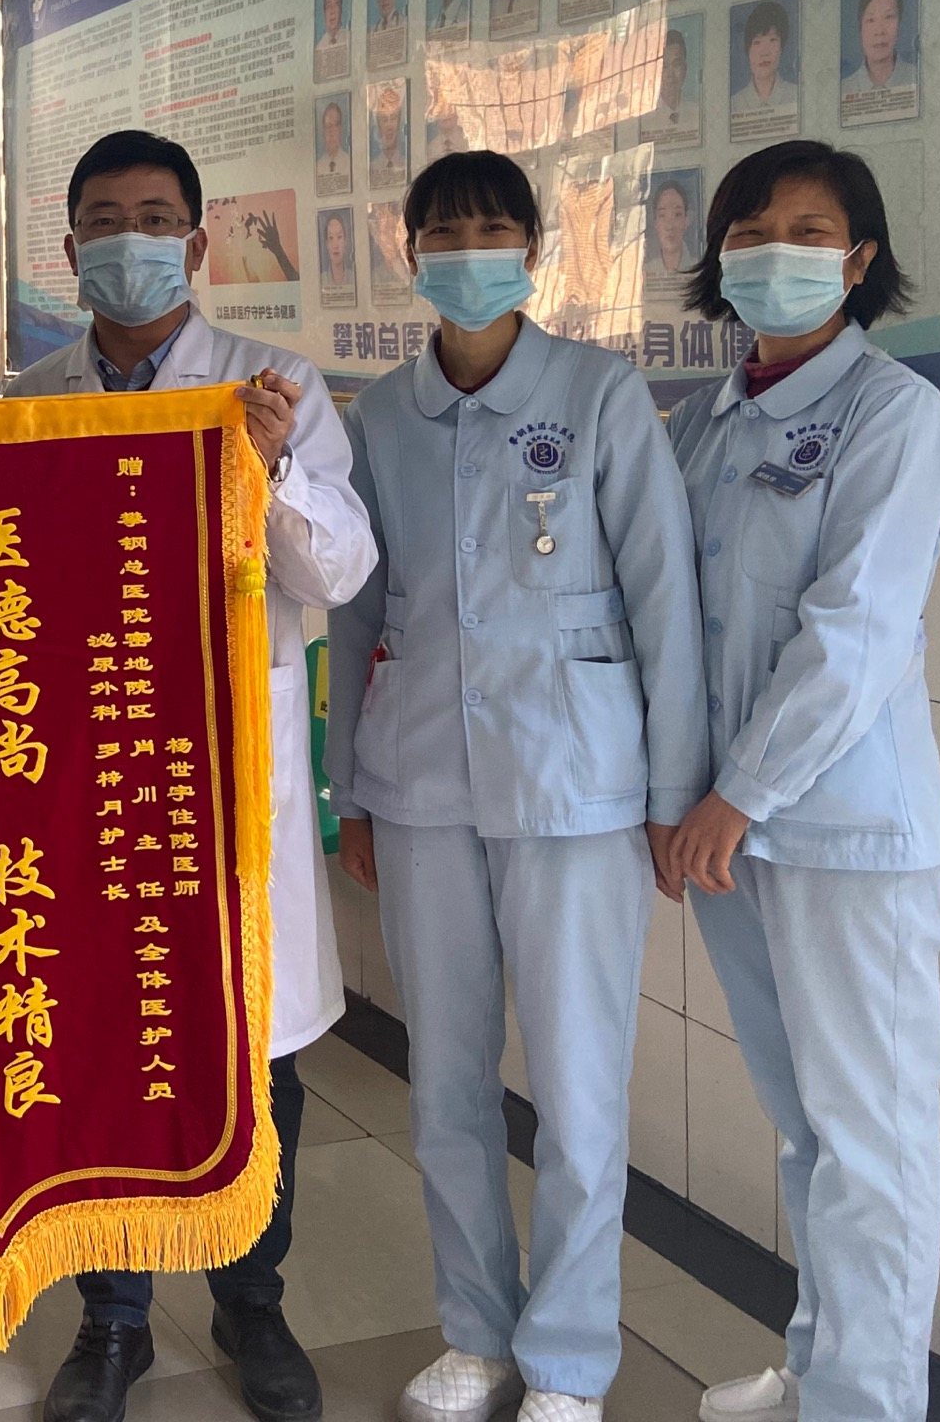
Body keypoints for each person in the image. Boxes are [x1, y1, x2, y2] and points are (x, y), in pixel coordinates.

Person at [324, 151, 704, 1422]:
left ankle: (570, 1360)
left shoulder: (599, 395)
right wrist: (349, 790)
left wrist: (670, 789)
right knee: (445, 1081)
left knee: (580, 1088)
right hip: (422, 781)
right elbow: (356, 612)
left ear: (531, 250)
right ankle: (477, 1332)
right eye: (444, 232)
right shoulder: (382, 416)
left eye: (492, 229)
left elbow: (663, 598)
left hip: (579, 789)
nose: (468, 251)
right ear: (412, 254)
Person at [13, 130, 375, 1422]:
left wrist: (268, 467)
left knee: (249, 1049)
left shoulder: (272, 388)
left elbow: (336, 571)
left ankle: (249, 1300)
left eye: (155, 217)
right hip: (83, 779)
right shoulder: (28, 397)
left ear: (198, 242)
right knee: (100, 1044)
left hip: (223, 776)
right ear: (70, 250)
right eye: (105, 220)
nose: (131, 240)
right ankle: (110, 1319)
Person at [663, 142, 940, 1422]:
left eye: (808, 230)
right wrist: (682, 799)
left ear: (858, 258)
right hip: (733, 834)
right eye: (748, 229)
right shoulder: (702, 421)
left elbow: (857, 630)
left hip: (843, 833)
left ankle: (865, 1403)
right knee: (806, 1126)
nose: (773, 249)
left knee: (871, 1143)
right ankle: (820, 1366)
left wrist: (736, 792)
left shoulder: (894, 414)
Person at [841, 0, 918, 102]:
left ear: (900, 24)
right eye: (871, 20)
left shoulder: (918, 77)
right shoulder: (844, 89)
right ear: (860, 29)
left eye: (889, 17)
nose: (880, 31)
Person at [730, 2, 800, 124]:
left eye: (772, 40)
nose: (764, 52)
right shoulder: (733, 104)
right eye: (757, 42)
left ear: (781, 47)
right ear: (748, 50)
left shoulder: (796, 95)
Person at [650, 180, 695, 279]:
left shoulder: (698, 270)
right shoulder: (644, 273)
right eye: (662, 215)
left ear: (686, 220)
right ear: (655, 223)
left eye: (677, 214)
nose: (669, 226)